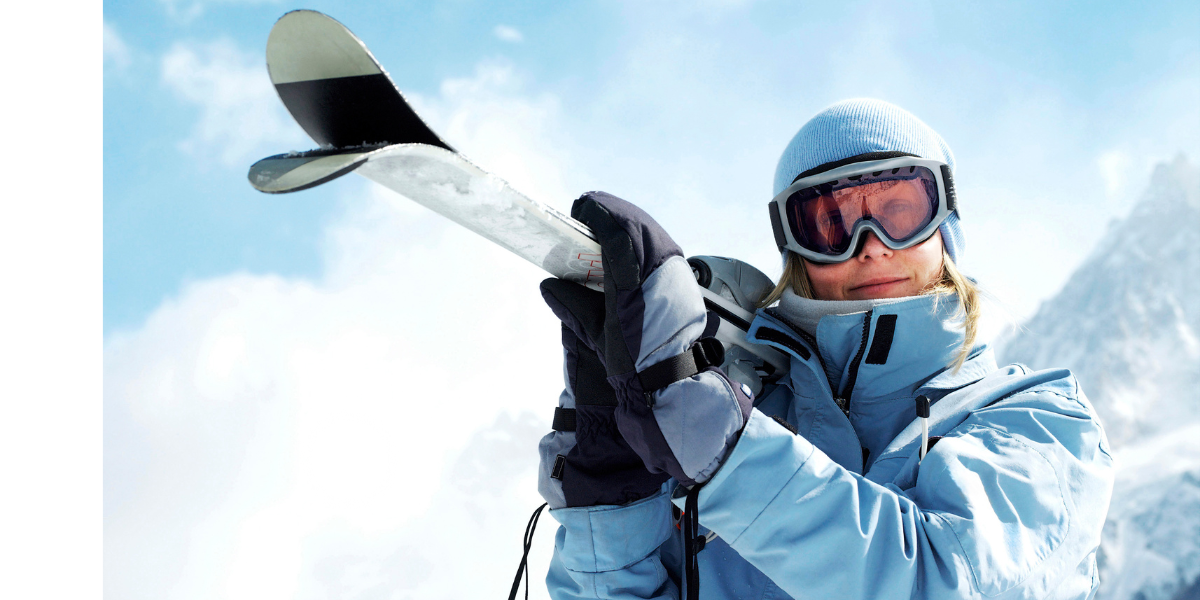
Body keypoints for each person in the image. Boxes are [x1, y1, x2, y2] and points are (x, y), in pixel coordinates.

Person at [533, 99, 1113, 600]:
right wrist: (608, 493)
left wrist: (730, 455)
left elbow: (944, 580)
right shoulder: (739, 417)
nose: (871, 248)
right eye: (831, 223)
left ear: (943, 223)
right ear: (794, 250)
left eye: (899, 211)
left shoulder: (1040, 422)